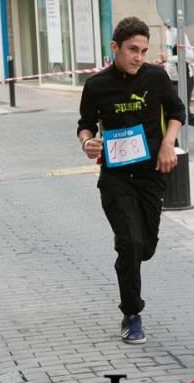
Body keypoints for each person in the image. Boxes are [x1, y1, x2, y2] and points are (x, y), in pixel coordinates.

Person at [77, 17, 184, 345]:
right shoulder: (96, 85)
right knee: (131, 244)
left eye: (143, 51)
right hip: (115, 177)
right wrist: (87, 142)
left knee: (145, 248)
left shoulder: (156, 77)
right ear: (115, 48)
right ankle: (132, 313)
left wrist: (168, 143)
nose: (138, 57)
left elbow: (178, 112)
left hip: (151, 176)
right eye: (132, 50)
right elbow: (85, 125)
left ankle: (129, 245)